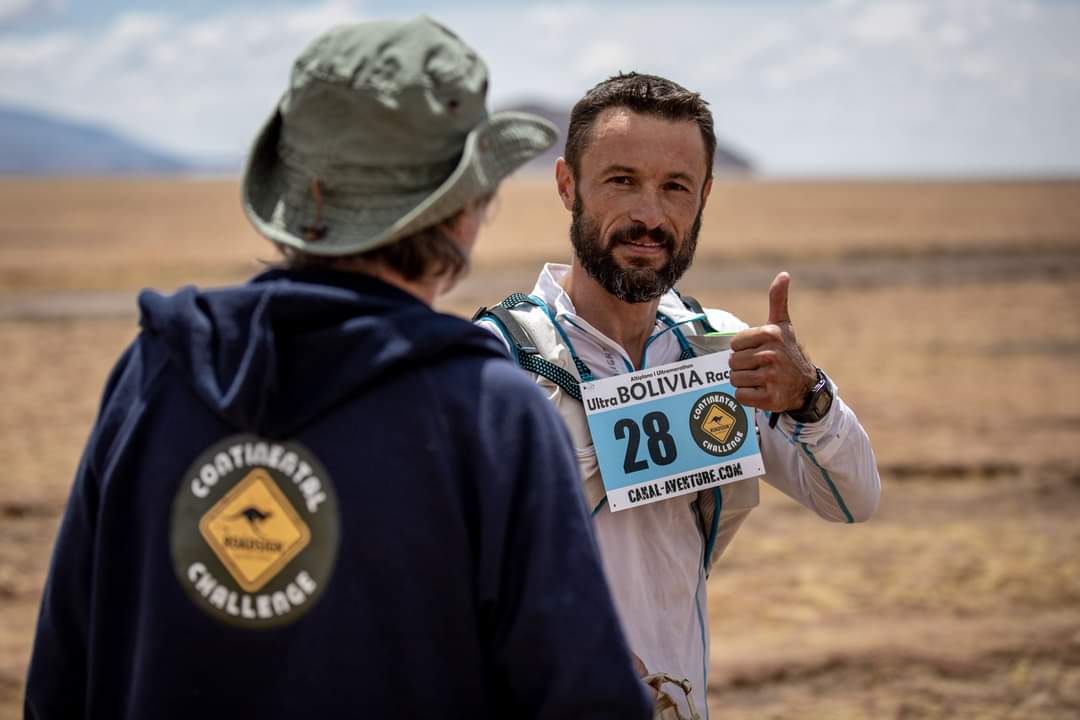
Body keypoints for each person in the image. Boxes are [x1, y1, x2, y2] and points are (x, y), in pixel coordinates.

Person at [25, 19, 652, 720]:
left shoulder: (155, 375)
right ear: (463, 211)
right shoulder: (488, 415)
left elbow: (60, 682)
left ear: (296, 201)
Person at [475, 72, 881, 719]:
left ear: (705, 196)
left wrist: (809, 398)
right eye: (622, 181)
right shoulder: (498, 362)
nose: (650, 216)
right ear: (567, 186)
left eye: (675, 187)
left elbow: (853, 498)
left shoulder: (719, 353)